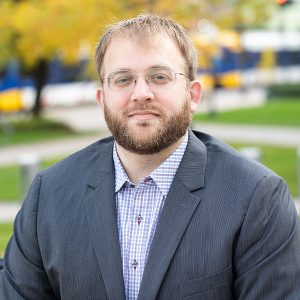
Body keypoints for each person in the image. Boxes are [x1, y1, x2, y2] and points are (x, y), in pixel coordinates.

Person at [1, 14, 300, 300]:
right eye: (123, 79)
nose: (141, 93)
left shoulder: (256, 198)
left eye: (159, 76)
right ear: (102, 99)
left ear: (193, 95)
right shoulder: (49, 195)